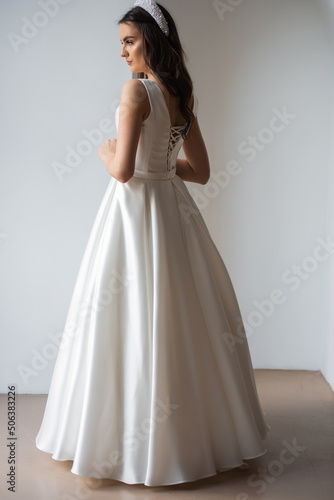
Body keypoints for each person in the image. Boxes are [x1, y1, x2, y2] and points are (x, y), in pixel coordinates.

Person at [36, 0, 270, 487]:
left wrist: (105, 150)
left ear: (151, 40)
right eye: (120, 42)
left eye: (129, 40)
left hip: (132, 211)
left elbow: (121, 171)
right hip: (172, 211)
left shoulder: (136, 91)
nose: (122, 52)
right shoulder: (179, 94)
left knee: (121, 316)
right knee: (177, 315)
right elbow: (200, 172)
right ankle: (191, 439)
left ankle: (116, 444)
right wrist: (160, 168)